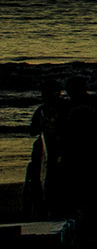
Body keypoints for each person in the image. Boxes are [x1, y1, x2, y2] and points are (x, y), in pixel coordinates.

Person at [58, 76, 97, 213]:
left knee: (89, 177)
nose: (69, 92)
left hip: (88, 143)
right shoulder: (66, 105)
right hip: (75, 144)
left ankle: (91, 203)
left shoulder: (94, 102)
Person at [23, 78, 64, 217]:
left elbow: (33, 131)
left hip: (57, 146)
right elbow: (33, 130)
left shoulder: (45, 110)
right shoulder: (43, 110)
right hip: (48, 146)